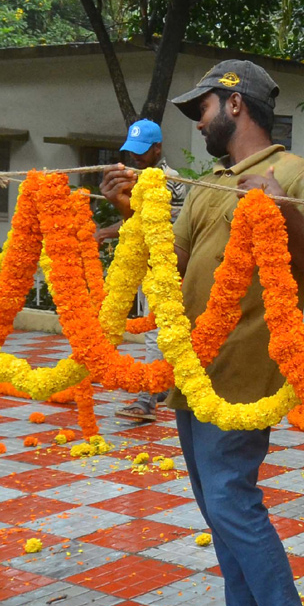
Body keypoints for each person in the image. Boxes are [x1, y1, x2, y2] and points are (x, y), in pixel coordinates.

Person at [163, 60, 304, 606]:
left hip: (245, 374)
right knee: (216, 505)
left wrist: (284, 211)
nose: (196, 121)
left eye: (200, 107)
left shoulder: (295, 174)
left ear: (234, 104)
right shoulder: (209, 184)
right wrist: (134, 210)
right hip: (194, 367)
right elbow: (176, 261)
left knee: (234, 501)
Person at [98, 119, 186, 422]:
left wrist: (122, 208)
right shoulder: (137, 177)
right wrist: (106, 231)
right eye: (131, 150)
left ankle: (147, 398)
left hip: (167, 267)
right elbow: (134, 223)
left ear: (158, 148)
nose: (135, 156)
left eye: (142, 150)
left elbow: (157, 228)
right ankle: (161, 386)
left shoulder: (170, 183)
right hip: (147, 266)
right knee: (159, 332)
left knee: (155, 331)